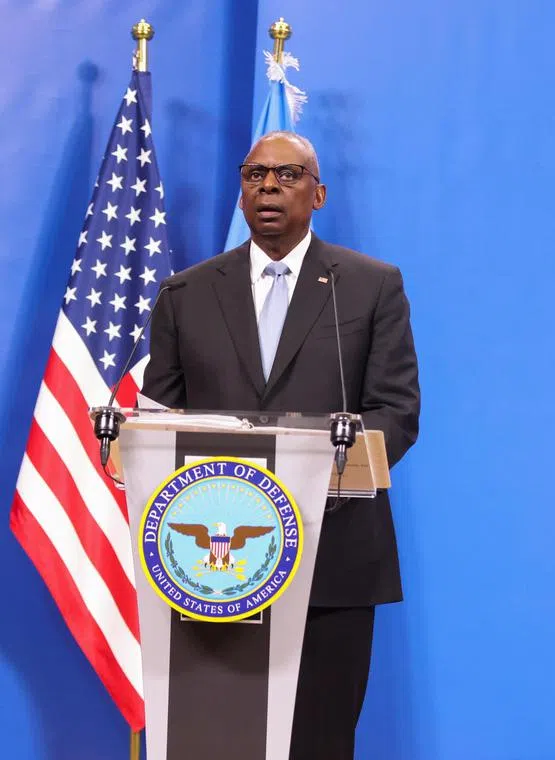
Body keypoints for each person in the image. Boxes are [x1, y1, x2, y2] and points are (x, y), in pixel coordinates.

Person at [142, 131, 420, 759]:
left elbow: (397, 412)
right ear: (241, 192)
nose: (268, 186)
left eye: (288, 175)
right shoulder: (185, 293)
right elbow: (158, 420)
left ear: (317, 194)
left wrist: (311, 477)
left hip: (333, 557)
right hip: (216, 570)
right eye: (254, 174)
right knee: (216, 740)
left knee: (318, 742)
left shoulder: (370, 286)